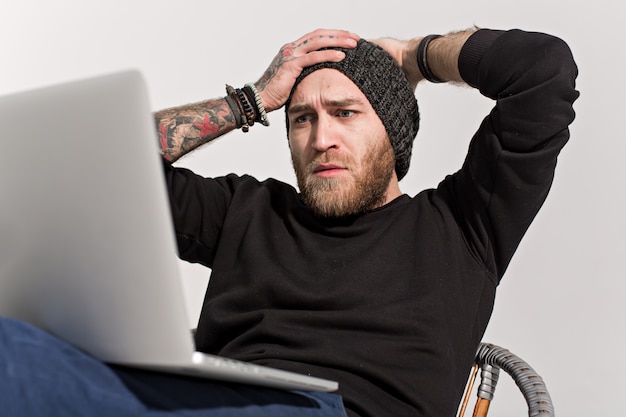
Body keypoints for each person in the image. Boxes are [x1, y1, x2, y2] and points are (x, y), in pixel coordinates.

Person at [0, 27, 578, 417]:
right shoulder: (246, 211)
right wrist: (248, 102)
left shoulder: (462, 225)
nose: (321, 138)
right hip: (208, 400)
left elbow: (541, 70)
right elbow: (87, 164)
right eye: (301, 119)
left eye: (346, 113)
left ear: (393, 135)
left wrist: (411, 58)